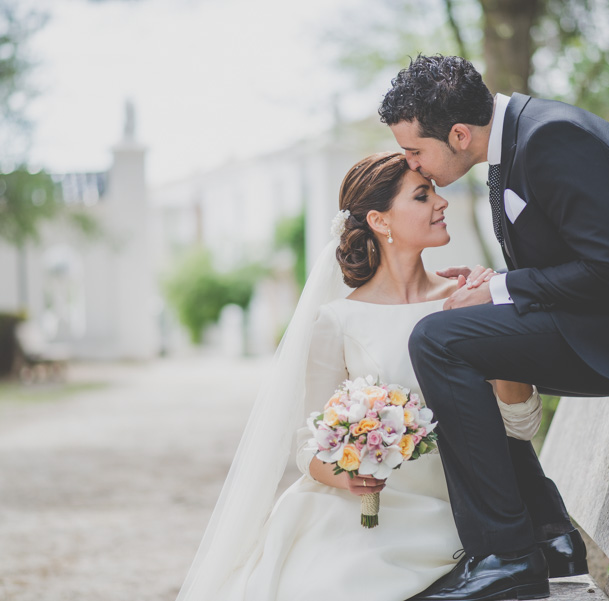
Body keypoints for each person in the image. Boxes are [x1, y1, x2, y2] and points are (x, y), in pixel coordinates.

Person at [378, 54, 609, 601]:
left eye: (415, 150)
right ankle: (548, 536)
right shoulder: (518, 143)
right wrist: (497, 285)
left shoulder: (553, 136)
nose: (413, 163)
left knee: (438, 341)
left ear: (458, 134)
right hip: (608, 319)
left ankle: (507, 554)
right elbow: (576, 260)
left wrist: (501, 292)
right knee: (457, 340)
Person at [176, 152, 551, 601]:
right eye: (422, 195)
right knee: (323, 585)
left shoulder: (469, 299)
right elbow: (307, 447)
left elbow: (523, 426)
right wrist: (346, 472)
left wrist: (496, 315)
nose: (442, 203)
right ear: (380, 220)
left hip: (453, 513)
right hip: (361, 513)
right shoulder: (337, 320)